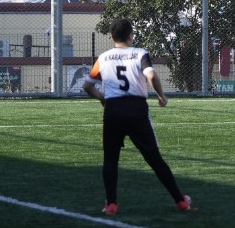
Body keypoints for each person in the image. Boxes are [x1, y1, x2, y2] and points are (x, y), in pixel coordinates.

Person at [80, 18, 193, 214]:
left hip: (113, 110)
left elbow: (87, 86)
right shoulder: (140, 54)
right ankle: (180, 201)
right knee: (154, 158)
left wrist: (103, 98)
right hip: (136, 109)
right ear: (131, 35)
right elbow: (151, 75)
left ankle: (111, 204)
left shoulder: (103, 58)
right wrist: (161, 95)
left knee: (110, 159)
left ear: (111, 37)